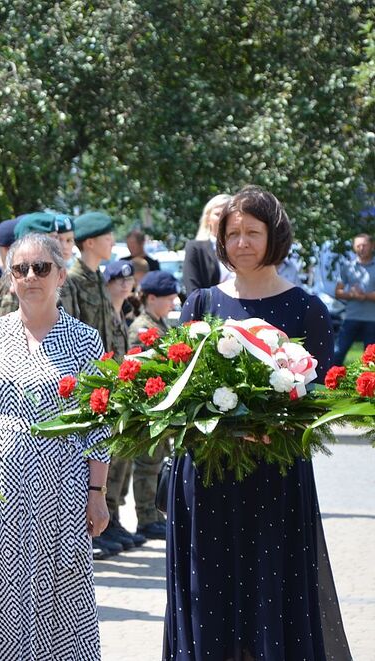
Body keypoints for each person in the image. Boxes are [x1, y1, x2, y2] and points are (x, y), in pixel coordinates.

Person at [165, 186, 351, 660]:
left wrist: (279, 427)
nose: (242, 242)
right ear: (220, 242)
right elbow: (179, 393)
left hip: (275, 480)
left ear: (275, 236)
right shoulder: (201, 304)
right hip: (207, 478)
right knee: (208, 596)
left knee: (272, 592)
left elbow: (320, 401)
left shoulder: (307, 308)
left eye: (253, 232)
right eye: (232, 234)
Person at [0, 232, 111, 661]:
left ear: (60, 274)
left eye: (41, 268)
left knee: (62, 594)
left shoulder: (85, 340)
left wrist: (98, 495)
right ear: (10, 277)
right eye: (21, 269)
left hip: (61, 490)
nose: (31, 276)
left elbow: (97, 427)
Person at [59, 212, 137, 559]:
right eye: (107, 237)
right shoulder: (74, 279)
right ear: (90, 242)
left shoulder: (95, 277)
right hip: (87, 381)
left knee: (109, 449)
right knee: (89, 451)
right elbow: (72, 331)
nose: (112, 243)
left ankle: (109, 518)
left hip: (106, 376)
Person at [126, 270, 181, 541]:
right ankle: (146, 517)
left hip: (162, 406)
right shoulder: (142, 328)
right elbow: (140, 371)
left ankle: (155, 514)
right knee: (148, 464)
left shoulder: (159, 324)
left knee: (158, 461)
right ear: (151, 298)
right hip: (149, 407)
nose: (173, 303)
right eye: (168, 298)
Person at [99, 260, 147, 552]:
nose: (124, 285)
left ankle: (113, 517)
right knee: (110, 460)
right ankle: (105, 522)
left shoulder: (122, 314)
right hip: (106, 393)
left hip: (120, 393)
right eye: (117, 280)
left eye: (128, 281)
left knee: (120, 463)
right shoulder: (106, 311)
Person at [331, 233, 375, 366]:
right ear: (354, 247)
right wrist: (351, 294)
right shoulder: (347, 267)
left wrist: (365, 296)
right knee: (338, 352)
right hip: (351, 317)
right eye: (358, 245)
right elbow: (338, 292)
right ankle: (330, 379)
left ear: (372, 246)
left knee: (371, 359)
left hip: (372, 319)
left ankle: (368, 384)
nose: (361, 248)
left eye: (364, 245)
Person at [182, 193, 232, 295]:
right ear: (208, 218)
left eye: (227, 214)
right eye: (218, 214)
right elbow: (192, 290)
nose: (222, 218)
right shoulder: (196, 249)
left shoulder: (243, 247)